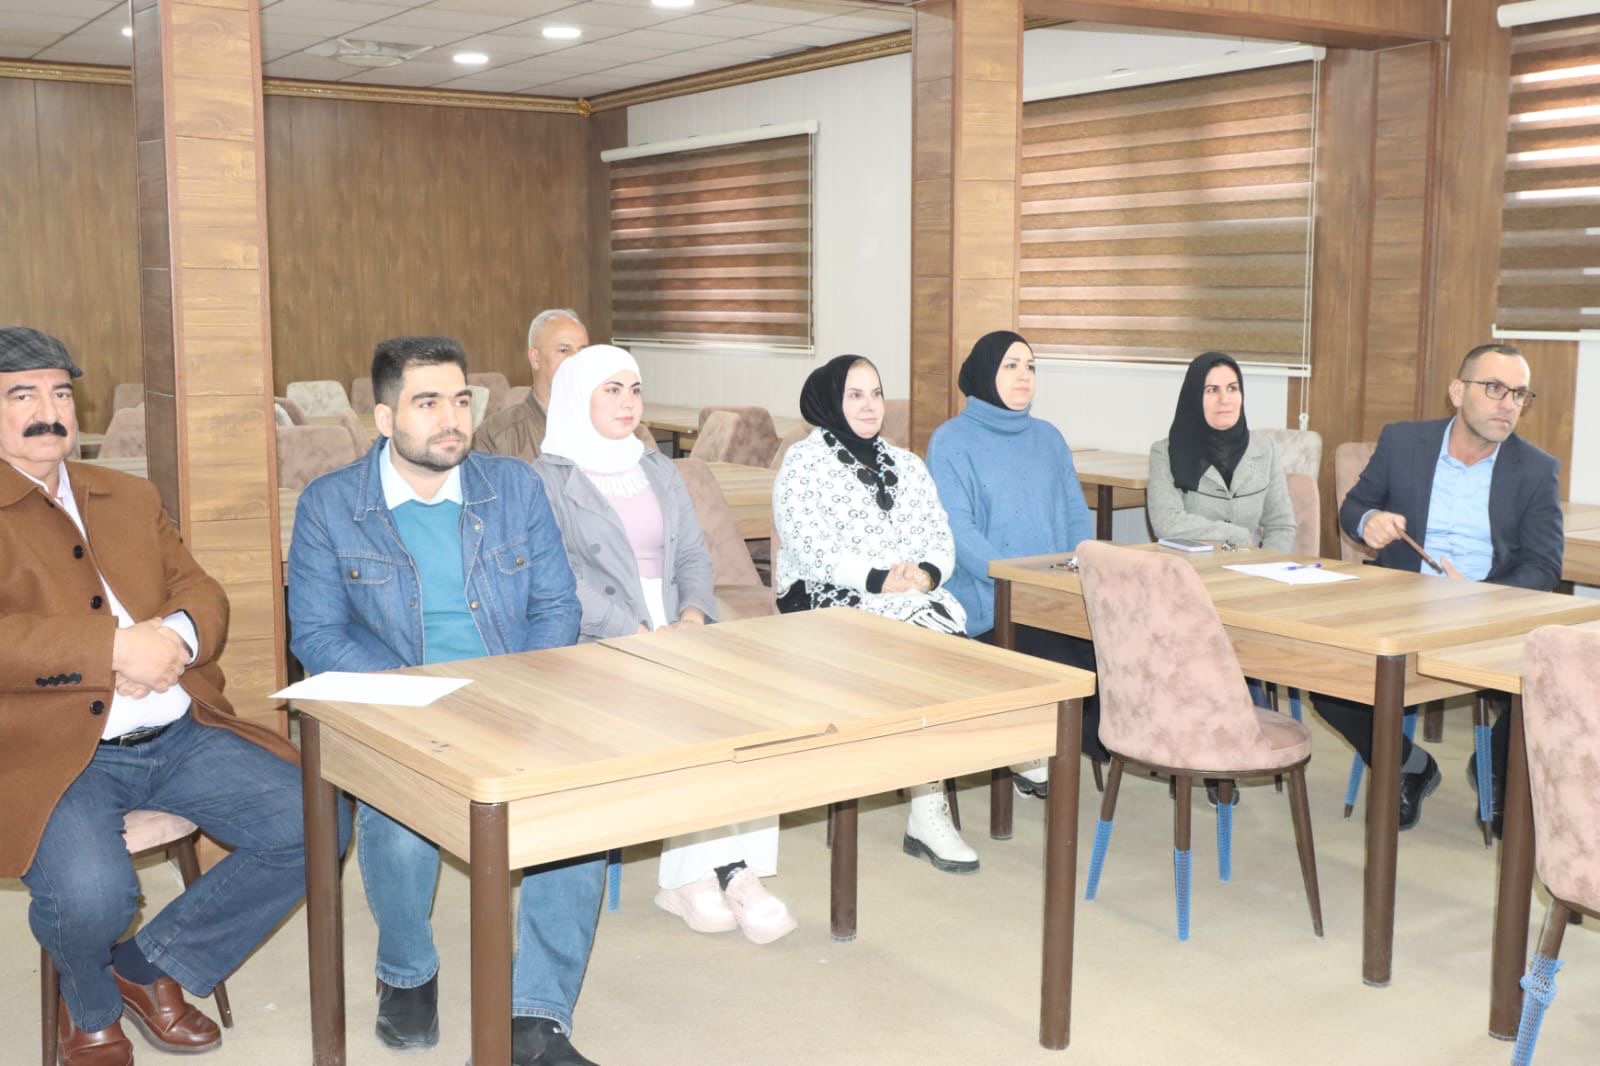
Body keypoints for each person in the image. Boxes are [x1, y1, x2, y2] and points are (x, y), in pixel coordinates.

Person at [0, 326, 346, 1066]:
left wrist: (174, 640)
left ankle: (147, 967)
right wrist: (110, 650)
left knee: (316, 824)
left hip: (180, 731)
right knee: (94, 897)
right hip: (58, 754)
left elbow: (201, 589)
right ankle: (89, 1007)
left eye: (60, 393)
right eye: (21, 395)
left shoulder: (127, 495)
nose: (48, 412)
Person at [288, 335, 601, 1066]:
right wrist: (422, 693)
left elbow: (557, 605)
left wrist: (510, 690)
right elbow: (318, 635)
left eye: (460, 400)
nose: (451, 419)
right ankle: (407, 971)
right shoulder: (331, 504)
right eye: (427, 403)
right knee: (400, 821)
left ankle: (536, 1019)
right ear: (384, 418)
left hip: (513, 694)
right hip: (400, 701)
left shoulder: (514, 487)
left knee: (578, 813)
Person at [533, 344, 796, 944]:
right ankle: (705, 874)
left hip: (678, 623)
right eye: (611, 390)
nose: (628, 402)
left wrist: (695, 615)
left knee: (751, 714)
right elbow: (558, 577)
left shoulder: (656, 467)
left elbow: (692, 553)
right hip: (597, 637)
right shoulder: (547, 478)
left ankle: (727, 870)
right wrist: (633, 632)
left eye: (634, 389)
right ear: (577, 397)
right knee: (686, 719)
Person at [1314, 342, 1562, 833]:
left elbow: (1544, 565)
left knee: (1547, 678)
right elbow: (1354, 507)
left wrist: (1482, 595)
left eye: (1519, 394)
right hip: (1401, 605)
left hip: (1485, 612)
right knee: (1324, 674)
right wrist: (1369, 520)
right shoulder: (1404, 442)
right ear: (1457, 391)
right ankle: (1410, 764)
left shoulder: (1535, 468)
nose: (1508, 404)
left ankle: (1498, 769)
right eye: (1494, 388)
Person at [773, 355, 978, 873]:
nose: (870, 406)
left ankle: (932, 798)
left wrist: (926, 573)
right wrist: (877, 579)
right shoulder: (805, 462)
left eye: (876, 393)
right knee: (936, 655)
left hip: (908, 599)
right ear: (830, 402)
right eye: (855, 395)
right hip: (825, 598)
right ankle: (929, 807)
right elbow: (809, 546)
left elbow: (939, 534)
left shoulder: (906, 463)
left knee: (936, 648)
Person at [926, 331, 1100, 791]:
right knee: (1068, 666)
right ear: (986, 372)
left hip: (1054, 596)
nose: (1024, 375)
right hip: (991, 600)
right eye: (1011, 365)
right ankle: (1033, 746)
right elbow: (958, 534)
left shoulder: (1049, 438)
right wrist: (1020, 582)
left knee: (1120, 652)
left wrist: (1072, 573)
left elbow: (1076, 516)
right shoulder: (951, 441)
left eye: (1030, 366)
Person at [1146, 351, 1296, 552]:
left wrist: (1267, 563)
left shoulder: (1265, 450)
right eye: (1212, 390)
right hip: (1193, 566)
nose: (1224, 399)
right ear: (1194, 397)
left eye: (1232, 388)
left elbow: (1281, 526)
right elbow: (1166, 522)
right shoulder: (1165, 453)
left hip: (1252, 565)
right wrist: (1237, 535)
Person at [474, 308, 652, 461]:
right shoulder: (498, 435)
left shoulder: (624, 429)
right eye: (563, 350)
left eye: (582, 351)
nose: (576, 360)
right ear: (535, 358)